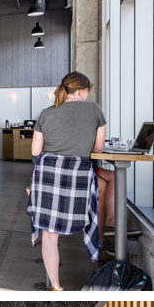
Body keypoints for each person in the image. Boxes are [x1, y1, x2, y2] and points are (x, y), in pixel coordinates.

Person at [27, 71, 104, 290]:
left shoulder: (46, 113)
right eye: (87, 92)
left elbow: (35, 150)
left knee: (50, 235)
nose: (87, 96)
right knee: (93, 210)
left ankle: (56, 286)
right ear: (80, 91)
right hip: (78, 174)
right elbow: (98, 149)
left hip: (47, 175)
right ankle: (96, 257)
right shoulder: (95, 110)